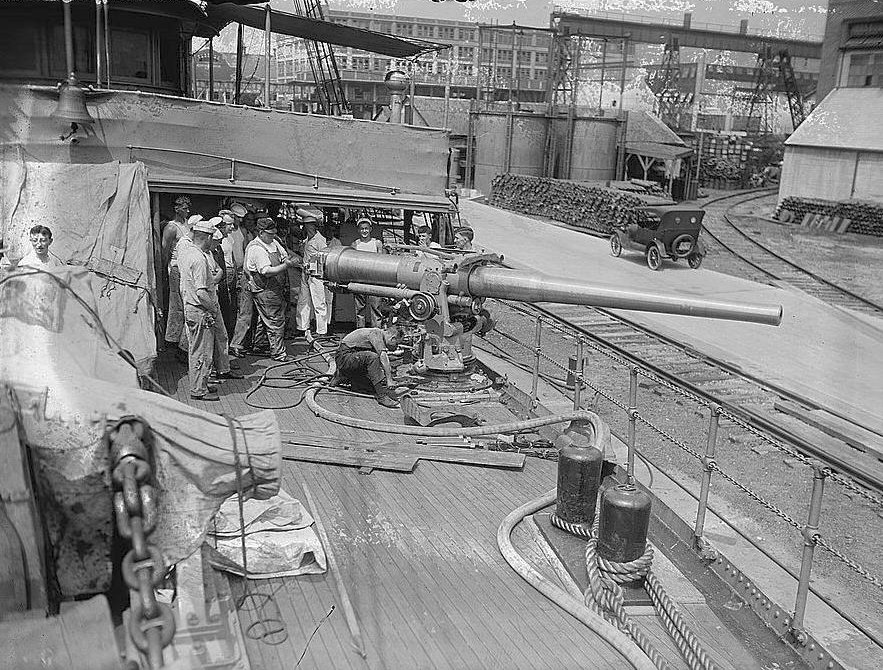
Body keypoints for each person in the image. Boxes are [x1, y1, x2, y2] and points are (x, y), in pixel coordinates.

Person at [178, 219, 241, 401]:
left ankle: (201, 383)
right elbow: (201, 292)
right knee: (202, 352)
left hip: (192, 308)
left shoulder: (188, 254)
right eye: (211, 237)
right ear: (205, 237)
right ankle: (198, 389)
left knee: (196, 349)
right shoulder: (199, 258)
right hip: (200, 309)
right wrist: (212, 308)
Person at [244, 217, 299, 362]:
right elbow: (267, 271)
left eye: (274, 233)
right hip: (265, 289)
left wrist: (288, 261)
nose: (273, 236)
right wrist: (286, 266)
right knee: (275, 321)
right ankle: (278, 353)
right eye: (269, 234)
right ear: (261, 233)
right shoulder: (256, 248)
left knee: (266, 320)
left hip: (276, 288)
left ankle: (260, 345)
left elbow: (284, 255)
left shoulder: (273, 242)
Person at [331, 324, 404, 408]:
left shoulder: (378, 335)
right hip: (344, 358)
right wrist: (389, 379)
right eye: (397, 343)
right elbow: (383, 357)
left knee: (371, 388)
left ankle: (342, 376)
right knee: (372, 357)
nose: (396, 347)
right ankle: (382, 397)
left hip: (349, 359)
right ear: (393, 338)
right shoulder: (376, 334)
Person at [162, 195, 191, 350]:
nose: (187, 210)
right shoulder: (171, 227)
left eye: (188, 207)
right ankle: (173, 340)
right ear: (176, 208)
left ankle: (184, 341)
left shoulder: (188, 225)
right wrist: (165, 271)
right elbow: (165, 250)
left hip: (187, 268)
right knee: (177, 305)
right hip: (175, 268)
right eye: (185, 208)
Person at [295, 208, 329, 340]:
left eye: (309, 226)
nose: (307, 228)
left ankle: (321, 330)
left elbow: (325, 256)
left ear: (314, 227)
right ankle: (302, 327)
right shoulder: (307, 239)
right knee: (303, 301)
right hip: (305, 272)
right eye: (305, 226)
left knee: (319, 301)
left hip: (316, 274)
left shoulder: (320, 239)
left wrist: (312, 266)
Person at [229, 203, 255, 357]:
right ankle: (234, 343)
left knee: (244, 311)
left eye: (240, 218)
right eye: (236, 218)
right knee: (237, 311)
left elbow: (245, 251)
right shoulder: (226, 233)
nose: (238, 221)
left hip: (241, 273)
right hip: (230, 273)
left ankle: (237, 343)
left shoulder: (242, 231)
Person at [350, 217, 383, 327]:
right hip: (360, 280)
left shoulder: (377, 243)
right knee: (360, 309)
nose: (364, 231)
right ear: (358, 230)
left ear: (370, 229)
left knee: (376, 309)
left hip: (375, 280)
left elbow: (382, 262)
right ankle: (361, 333)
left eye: (366, 228)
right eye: (362, 229)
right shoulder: (355, 244)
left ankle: (376, 332)